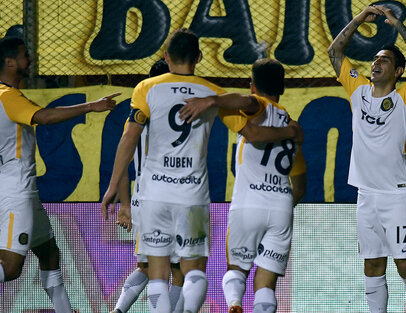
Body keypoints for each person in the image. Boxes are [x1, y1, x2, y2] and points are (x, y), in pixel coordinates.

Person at [100, 28, 301, 313]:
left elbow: (129, 137)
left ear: (167, 56)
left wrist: (112, 187)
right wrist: (289, 130)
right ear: (199, 57)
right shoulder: (210, 91)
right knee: (193, 271)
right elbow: (252, 130)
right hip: (192, 197)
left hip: (154, 196)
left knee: (155, 272)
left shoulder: (146, 88)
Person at [0, 37, 118, 312]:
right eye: (23, 55)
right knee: (11, 267)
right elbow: (44, 117)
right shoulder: (8, 96)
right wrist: (90, 106)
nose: (29, 59)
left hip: (19, 190)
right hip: (16, 191)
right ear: (9, 62)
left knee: (50, 253)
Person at [180, 58, 307, 313]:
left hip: (249, 203)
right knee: (266, 285)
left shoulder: (258, 105)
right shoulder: (292, 125)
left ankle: (235, 304)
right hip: (282, 206)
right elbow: (301, 184)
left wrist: (213, 100)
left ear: (251, 86)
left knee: (236, 269)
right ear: (282, 88)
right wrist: (281, 202)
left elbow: (249, 103)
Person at [328, 4, 406, 313]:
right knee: (372, 265)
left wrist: (396, 24)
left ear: (397, 71)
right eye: (374, 59)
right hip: (367, 194)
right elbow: (334, 53)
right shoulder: (357, 89)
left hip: (398, 195)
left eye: (383, 60)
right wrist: (359, 18)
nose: (375, 63)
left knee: (405, 266)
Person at [109, 58, 184, 313]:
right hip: (174, 197)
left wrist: (125, 205)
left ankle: (118, 311)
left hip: (143, 199)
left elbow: (122, 162)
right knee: (178, 269)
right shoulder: (181, 116)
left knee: (147, 266)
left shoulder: (135, 118)